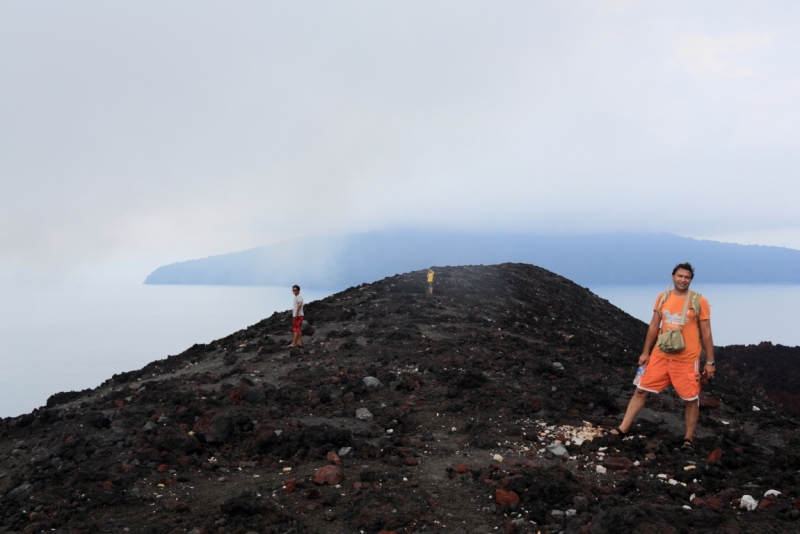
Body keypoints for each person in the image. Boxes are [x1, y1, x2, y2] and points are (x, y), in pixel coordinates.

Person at [613, 262, 715, 452]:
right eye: (680, 276)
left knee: (691, 398)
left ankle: (688, 439)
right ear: (673, 277)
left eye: (687, 277)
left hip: (686, 359)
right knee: (641, 390)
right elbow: (654, 326)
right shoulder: (663, 297)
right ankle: (623, 428)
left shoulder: (699, 301)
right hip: (660, 355)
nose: (683, 280)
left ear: (690, 280)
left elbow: (707, 332)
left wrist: (709, 361)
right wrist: (645, 352)